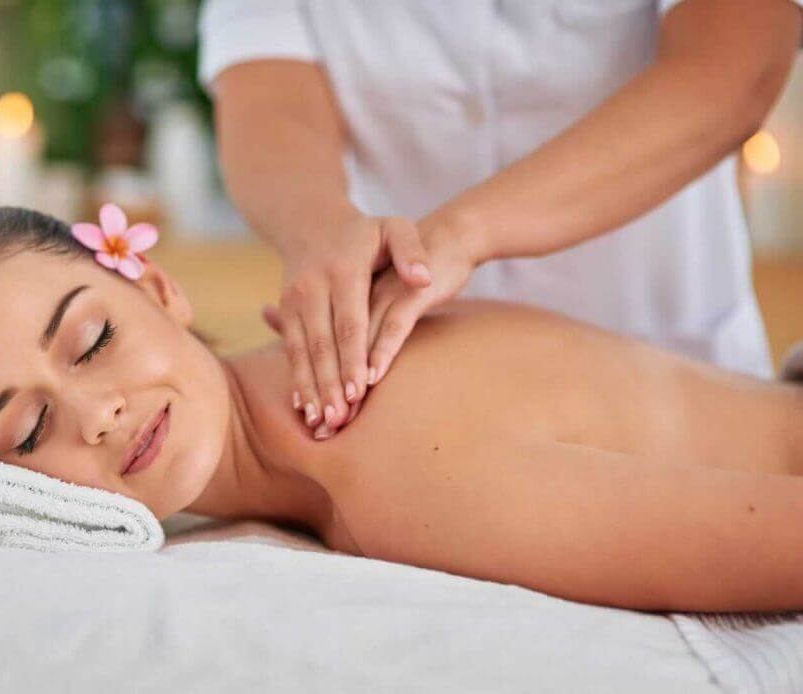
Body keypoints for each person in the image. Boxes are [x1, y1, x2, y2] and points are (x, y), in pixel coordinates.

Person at [0, 206, 803, 613]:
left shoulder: (396, 471)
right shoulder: (300, 455)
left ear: (155, 285)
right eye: (27, 431)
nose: (97, 414)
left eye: (90, 342)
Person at [198, 0, 803, 440]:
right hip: (421, 406)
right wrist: (321, 231)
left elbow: (733, 72)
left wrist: (466, 232)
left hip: (683, 373)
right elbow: (269, 102)